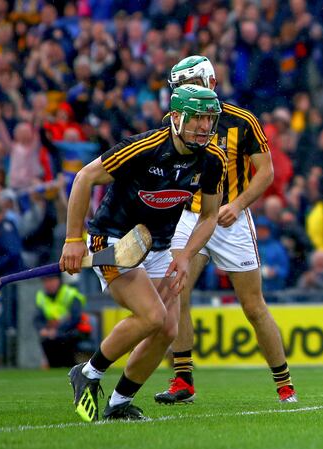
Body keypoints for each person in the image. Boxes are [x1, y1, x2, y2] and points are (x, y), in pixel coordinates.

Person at [60, 84, 227, 422]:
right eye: (198, 119)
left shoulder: (212, 159)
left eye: (210, 120)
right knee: (151, 316)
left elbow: (209, 216)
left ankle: (119, 404)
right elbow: (83, 178)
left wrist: (185, 254)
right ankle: (88, 373)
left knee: (166, 329)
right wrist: (72, 240)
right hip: (111, 241)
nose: (205, 127)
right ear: (177, 116)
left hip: (161, 247)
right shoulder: (145, 147)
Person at [155, 56, 297, 405]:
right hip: (190, 216)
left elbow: (266, 172)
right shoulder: (177, 122)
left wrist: (239, 204)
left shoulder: (242, 121)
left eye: (190, 85)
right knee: (176, 291)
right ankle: (183, 380)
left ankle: (284, 384)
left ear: (211, 84)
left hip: (230, 219)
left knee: (252, 306)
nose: (184, 94)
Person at [34, 275, 92, 368]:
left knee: (63, 338)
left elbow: (75, 319)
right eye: (46, 281)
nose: (49, 284)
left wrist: (58, 330)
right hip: (52, 332)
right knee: (47, 340)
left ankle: (70, 365)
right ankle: (53, 366)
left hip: (74, 331)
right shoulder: (41, 296)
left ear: (59, 280)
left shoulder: (70, 294)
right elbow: (37, 318)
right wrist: (43, 329)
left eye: (52, 280)